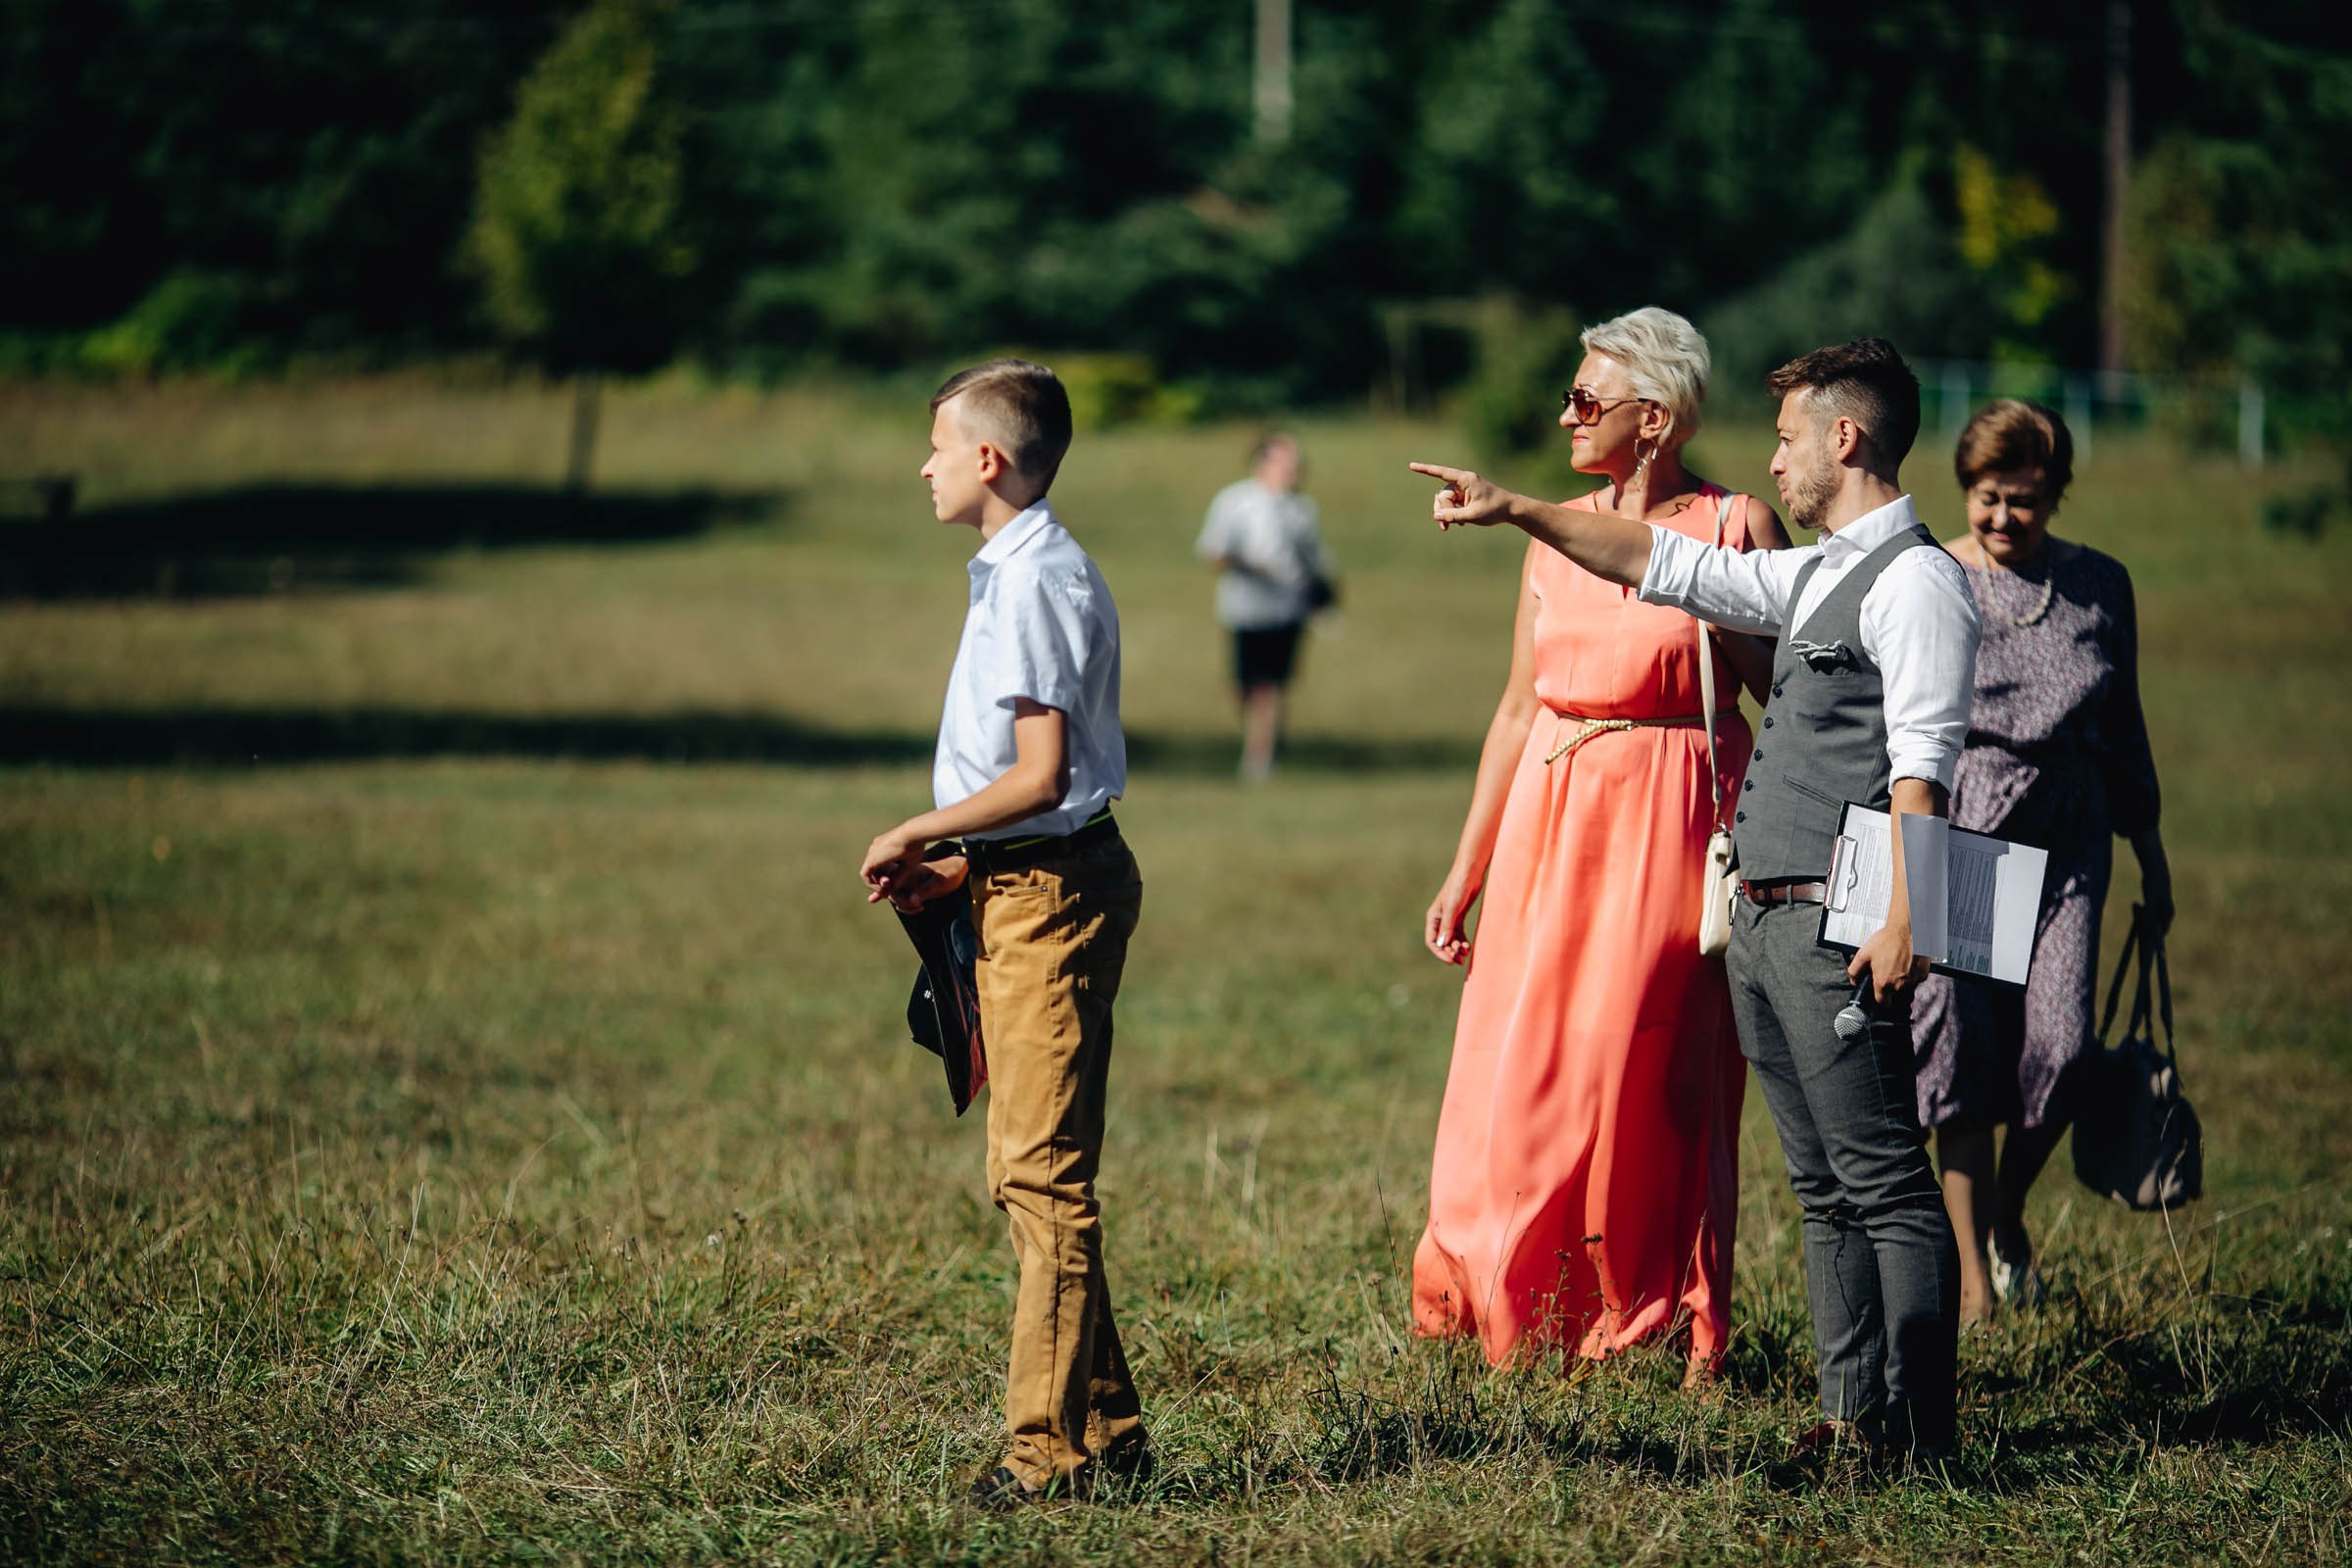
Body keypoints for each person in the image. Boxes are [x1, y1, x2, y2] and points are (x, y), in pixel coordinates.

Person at [1409, 337, 1981, 1462]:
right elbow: (1660, 565)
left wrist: (1912, 917)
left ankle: (1921, 1430)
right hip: (1767, 916)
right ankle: (1846, 1416)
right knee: (1820, 1188)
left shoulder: (1917, 583)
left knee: (1882, 1181)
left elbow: (1926, 765)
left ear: (1844, 439)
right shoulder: (1819, 572)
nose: (1773, 458)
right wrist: (1520, 508)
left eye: (1786, 435)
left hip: (1846, 912)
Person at [1412, 307, 1789, 1383]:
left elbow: (1796, 700)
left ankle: (1648, 1306)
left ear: (1656, 417)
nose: (1564, 414)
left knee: (1643, 1068)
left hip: (1671, 819)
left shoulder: (1737, 528)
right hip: (1551, 815)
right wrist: (1466, 866)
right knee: (1525, 1064)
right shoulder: (1554, 534)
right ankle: (1515, 1296)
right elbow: (1515, 710)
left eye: (1587, 398)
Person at [860, 359, 1151, 1506]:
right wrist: (957, 861)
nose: (921, 465)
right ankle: (1113, 1432)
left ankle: (1044, 1459)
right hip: (1014, 882)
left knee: (1043, 1180)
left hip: (1050, 894)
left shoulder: (1034, 581)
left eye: (936, 445)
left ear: (989, 459)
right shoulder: (1017, 570)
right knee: (1031, 1176)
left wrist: (916, 827)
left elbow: (1042, 775)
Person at [1912, 400, 2171, 1323]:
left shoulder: (2103, 584)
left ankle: (2007, 1213)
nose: (2002, 519)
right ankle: (1974, 1284)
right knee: (1967, 1058)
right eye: (1987, 498)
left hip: (2071, 838)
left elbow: (2125, 727)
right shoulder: (1936, 572)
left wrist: (2151, 853)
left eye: (2022, 500)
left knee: (2060, 1053)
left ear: (2055, 495)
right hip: (1972, 825)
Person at [1196, 432, 1336, 779]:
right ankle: (1263, 738)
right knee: (1244, 688)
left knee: (1270, 686)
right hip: (1245, 608)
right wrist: (1245, 563)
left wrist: (1322, 595)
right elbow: (1213, 552)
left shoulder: (1301, 510)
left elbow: (1314, 559)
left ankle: (1259, 756)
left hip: (1287, 610)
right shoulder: (1234, 502)